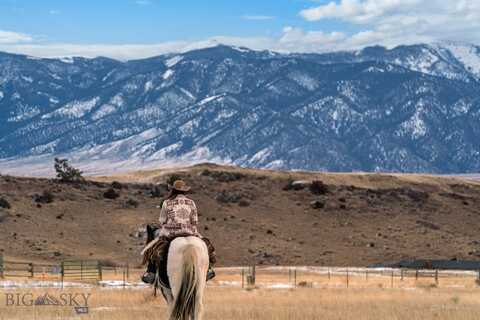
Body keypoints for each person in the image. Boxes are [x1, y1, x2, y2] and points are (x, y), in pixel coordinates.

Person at [141, 179, 217, 284]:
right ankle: (208, 269)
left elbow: (162, 221)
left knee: (155, 247)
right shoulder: (191, 203)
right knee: (206, 244)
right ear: (185, 191)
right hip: (190, 231)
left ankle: (151, 272)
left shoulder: (166, 203)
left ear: (172, 190)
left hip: (171, 232)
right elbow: (195, 221)